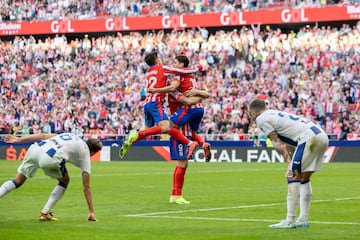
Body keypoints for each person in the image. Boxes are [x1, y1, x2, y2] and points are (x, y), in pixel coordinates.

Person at [248, 99, 329, 229]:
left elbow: (276, 142)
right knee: (304, 177)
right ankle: (303, 218)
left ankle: (290, 220)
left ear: (253, 112)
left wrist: (288, 162)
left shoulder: (261, 119)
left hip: (308, 138)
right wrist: (291, 160)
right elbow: (292, 142)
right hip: (321, 135)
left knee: (292, 176)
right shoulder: (273, 114)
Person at [0, 133, 102, 221]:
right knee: (65, 180)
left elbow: (42, 135)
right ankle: (45, 213)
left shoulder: (71, 135)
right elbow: (86, 187)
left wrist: (19, 139)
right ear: (93, 152)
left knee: (18, 181)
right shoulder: (85, 152)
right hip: (50, 157)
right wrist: (91, 211)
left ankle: (45, 214)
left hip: (35, 149)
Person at [119, 51, 201, 159]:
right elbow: (181, 71)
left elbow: (160, 82)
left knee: (148, 131)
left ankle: (129, 142)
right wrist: (198, 67)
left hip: (147, 104)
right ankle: (136, 134)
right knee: (167, 127)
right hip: (156, 103)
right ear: (157, 60)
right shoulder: (162, 68)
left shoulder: (148, 73)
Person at [148, 55, 212, 162]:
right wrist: (199, 95)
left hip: (189, 109)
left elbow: (175, 90)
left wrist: (156, 90)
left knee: (169, 127)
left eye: (175, 63)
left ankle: (190, 144)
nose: (174, 65)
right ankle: (203, 144)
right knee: (194, 133)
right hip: (200, 109)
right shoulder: (191, 76)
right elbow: (206, 94)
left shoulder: (179, 75)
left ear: (182, 65)